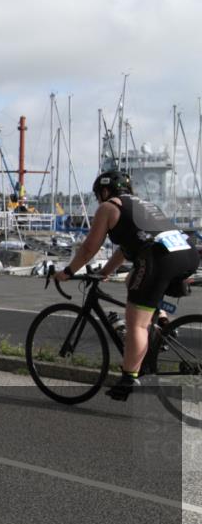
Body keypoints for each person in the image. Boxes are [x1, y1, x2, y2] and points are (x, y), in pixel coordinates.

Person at [54, 171, 199, 400]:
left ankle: (129, 378)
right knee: (134, 280)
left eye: (97, 195)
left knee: (136, 323)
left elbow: (90, 247)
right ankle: (161, 321)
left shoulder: (108, 208)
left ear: (104, 191)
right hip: (187, 253)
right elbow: (125, 249)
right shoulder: (142, 205)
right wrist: (105, 273)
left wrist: (68, 271)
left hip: (159, 259)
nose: (98, 200)